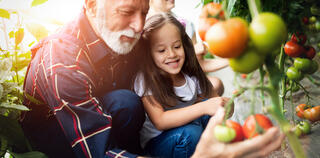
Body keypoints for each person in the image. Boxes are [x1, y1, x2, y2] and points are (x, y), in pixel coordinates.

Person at [19, 0, 284, 157]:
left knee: (125, 101)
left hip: (112, 120)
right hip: (68, 143)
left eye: (144, 12)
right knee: (141, 110)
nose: (137, 25)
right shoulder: (62, 62)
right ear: (91, 4)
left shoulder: (127, 37)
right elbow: (98, 152)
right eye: (126, 11)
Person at [134, 13, 232, 158]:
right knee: (190, 134)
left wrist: (226, 106)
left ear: (184, 45)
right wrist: (203, 107)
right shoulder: (145, 79)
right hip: (160, 142)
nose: (172, 54)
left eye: (177, 46)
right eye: (162, 50)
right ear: (149, 53)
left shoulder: (190, 75)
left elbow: (214, 100)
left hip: (189, 129)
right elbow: (160, 121)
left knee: (212, 114)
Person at [147, 0, 228, 96]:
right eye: (162, 50)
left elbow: (199, 64)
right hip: (159, 84)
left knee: (216, 84)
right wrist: (191, 51)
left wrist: (231, 61)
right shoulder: (143, 27)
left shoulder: (187, 25)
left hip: (183, 82)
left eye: (177, 46)